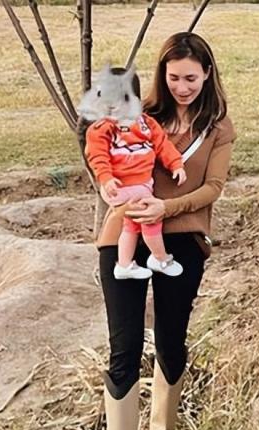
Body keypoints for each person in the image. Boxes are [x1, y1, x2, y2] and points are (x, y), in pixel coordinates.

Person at [95, 32, 235, 430]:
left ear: (207, 74)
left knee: (170, 340)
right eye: (173, 77)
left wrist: (167, 205)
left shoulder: (217, 126)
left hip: (181, 239)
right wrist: (110, 183)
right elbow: (100, 151)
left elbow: (214, 187)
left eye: (190, 78)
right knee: (124, 346)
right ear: (162, 74)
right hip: (123, 235)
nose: (181, 86)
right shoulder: (138, 113)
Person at [81, 66, 188, 280]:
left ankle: (125, 264)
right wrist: (106, 178)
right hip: (120, 186)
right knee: (150, 217)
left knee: (132, 225)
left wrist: (176, 164)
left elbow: (162, 145)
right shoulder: (103, 128)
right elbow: (97, 155)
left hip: (141, 184)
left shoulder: (146, 124)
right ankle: (160, 257)